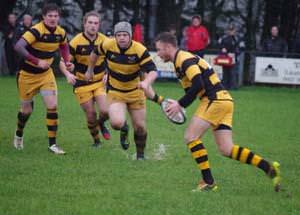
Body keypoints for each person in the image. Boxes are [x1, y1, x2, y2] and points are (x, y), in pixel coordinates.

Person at [152, 32, 281, 192]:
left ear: (168, 46)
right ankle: (268, 168)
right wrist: (179, 102)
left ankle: (208, 182)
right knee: (226, 149)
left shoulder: (184, 59)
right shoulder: (180, 61)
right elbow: (193, 88)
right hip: (225, 100)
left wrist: (180, 104)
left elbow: (199, 85)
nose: (157, 54)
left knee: (190, 137)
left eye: (158, 50)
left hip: (215, 100)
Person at [85, 21, 157, 160]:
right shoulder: (107, 45)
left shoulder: (139, 49)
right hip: (116, 91)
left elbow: (153, 70)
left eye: (125, 35)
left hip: (135, 92)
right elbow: (94, 53)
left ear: (130, 36)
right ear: (115, 36)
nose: (122, 38)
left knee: (140, 127)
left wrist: (146, 82)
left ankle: (140, 156)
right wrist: (90, 70)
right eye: (119, 35)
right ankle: (124, 129)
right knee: (116, 123)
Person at [13, 3, 72, 154]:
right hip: (26, 75)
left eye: (55, 16)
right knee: (26, 111)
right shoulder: (36, 30)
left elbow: (64, 46)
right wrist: (37, 61)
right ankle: (19, 134)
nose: (53, 19)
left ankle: (53, 144)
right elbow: (18, 46)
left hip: (46, 75)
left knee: (52, 106)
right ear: (44, 17)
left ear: (58, 17)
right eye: (50, 16)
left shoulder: (60, 32)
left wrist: (67, 61)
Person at [59, 11, 111, 147]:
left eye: (96, 23)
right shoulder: (76, 42)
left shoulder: (105, 41)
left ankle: (101, 123)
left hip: (99, 82)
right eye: (90, 23)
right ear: (84, 24)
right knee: (91, 114)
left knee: (105, 111)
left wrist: (108, 73)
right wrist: (68, 74)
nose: (93, 26)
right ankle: (96, 141)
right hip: (81, 83)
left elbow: (113, 60)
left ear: (99, 25)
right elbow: (63, 61)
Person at [217, 24, 240, 90]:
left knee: (233, 72)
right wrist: (223, 49)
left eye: (232, 30)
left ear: (235, 31)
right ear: (227, 31)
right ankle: (225, 86)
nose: (231, 32)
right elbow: (220, 46)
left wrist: (235, 53)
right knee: (225, 72)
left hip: (233, 58)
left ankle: (233, 86)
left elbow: (239, 48)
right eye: (230, 30)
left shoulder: (237, 39)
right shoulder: (224, 38)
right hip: (225, 58)